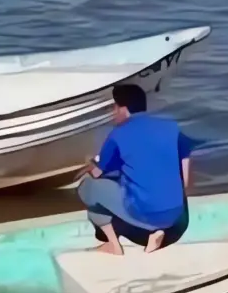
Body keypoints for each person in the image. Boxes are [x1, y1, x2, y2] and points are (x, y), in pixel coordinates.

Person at [77, 83, 197, 255]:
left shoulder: (117, 134)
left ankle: (113, 245)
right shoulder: (171, 127)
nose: (113, 112)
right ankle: (159, 232)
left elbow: (98, 174)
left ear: (123, 109)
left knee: (87, 188)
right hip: (176, 213)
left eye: (115, 107)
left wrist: (89, 164)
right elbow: (184, 169)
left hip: (144, 214)